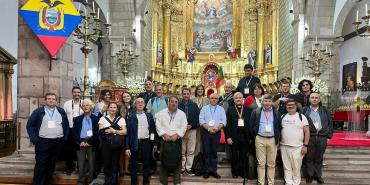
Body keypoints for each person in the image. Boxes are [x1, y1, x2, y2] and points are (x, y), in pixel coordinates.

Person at [26, 93, 69, 185]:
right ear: (45, 100)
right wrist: (35, 140)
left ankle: (47, 182)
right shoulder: (38, 111)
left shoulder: (61, 111)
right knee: (41, 164)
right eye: (49, 99)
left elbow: (66, 125)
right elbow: (29, 125)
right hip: (43, 142)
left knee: (51, 164)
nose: (51, 100)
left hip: (57, 142)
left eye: (53, 99)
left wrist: (64, 138)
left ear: (56, 100)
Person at [301, 92, 333, 184]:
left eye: (316, 98)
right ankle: (310, 175)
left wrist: (328, 136)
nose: (314, 99)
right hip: (309, 136)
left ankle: (318, 175)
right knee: (309, 157)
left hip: (322, 137)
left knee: (319, 157)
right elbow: (300, 124)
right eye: (312, 97)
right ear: (309, 99)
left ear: (319, 99)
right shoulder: (304, 110)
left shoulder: (324, 110)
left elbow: (330, 123)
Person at [249, 94, 281, 185]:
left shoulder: (276, 113)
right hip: (260, 139)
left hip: (272, 139)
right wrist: (254, 137)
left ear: (272, 102)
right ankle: (261, 182)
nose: (267, 103)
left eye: (269, 101)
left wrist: (278, 139)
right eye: (265, 101)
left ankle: (271, 183)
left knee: (271, 163)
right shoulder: (256, 112)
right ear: (262, 102)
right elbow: (251, 126)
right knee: (261, 163)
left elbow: (279, 126)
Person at [156, 96, 188, 185]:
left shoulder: (182, 114)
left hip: (176, 140)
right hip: (165, 140)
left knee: (177, 160)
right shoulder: (161, 113)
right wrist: (164, 134)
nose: (174, 103)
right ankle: (163, 181)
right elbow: (158, 125)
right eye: (172, 102)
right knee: (163, 159)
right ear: (168, 103)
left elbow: (184, 126)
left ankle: (177, 181)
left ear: (178, 103)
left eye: (176, 102)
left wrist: (177, 135)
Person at [125, 98, 157, 185]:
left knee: (146, 164)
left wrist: (154, 143)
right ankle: (133, 183)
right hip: (134, 142)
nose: (140, 104)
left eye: (142, 102)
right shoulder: (131, 116)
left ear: (144, 104)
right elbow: (128, 133)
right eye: (138, 102)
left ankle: (146, 183)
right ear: (135, 105)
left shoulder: (149, 115)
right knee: (134, 165)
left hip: (146, 142)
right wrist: (127, 147)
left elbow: (152, 130)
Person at [280, 99, 310, 185]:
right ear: (286, 107)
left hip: (298, 147)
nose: (290, 106)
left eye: (292, 104)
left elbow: (307, 132)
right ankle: (288, 182)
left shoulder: (302, 117)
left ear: (296, 106)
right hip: (284, 146)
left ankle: (296, 182)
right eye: (288, 105)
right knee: (286, 167)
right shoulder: (282, 116)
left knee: (296, 167)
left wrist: (305, 145)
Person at [98, 102, 127, 185]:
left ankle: (114, 182)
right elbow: (102, 131)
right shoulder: (102, 119)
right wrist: (118, 130)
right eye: (111, 107)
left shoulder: (121, 119)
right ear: (108, 109)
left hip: (116, 145)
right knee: (107, 163)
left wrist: (113, 131)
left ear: (117, 109)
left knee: (115, 164)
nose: (112, 109)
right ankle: (107, 182)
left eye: (114, 107)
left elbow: (125, 132)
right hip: (105, 145)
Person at [72, 99, 99, 185]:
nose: (85, 107)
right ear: (81, 107)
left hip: (92, 142)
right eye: (84, 105)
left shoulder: (96, 119)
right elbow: (74, 132)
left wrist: (90, 142)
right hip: (80, 143)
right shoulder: (76, 119)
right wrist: (80, 142)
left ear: (91, 106)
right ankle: (81, 180)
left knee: (92, 163)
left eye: (87, 105)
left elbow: (97, 132)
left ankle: (91, 180)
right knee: (81, 163)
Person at [225, 92, 252, 178]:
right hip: (233, 136)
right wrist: (228, 137)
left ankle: (243, 172)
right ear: (234, 100)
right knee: (234, 155)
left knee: (244, 155)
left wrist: (251, 137)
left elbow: (250, 124)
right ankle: (235, 172)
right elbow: (227, 124)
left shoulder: (248, 110)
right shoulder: (230, 109)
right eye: (236, 98)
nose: (238, 99)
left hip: (245, 136)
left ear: (243, 99)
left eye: (240, 98)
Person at [199, 93, 226, 179]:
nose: (214, 100)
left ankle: (213, 171)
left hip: (216, 132)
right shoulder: (204, 108)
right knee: (207, 152)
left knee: (214, 152)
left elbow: (224, 121)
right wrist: (208, 128)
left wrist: (217, 129)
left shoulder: (221, 109)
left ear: (218, 100)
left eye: (215, 98)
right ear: (209, 99)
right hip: (206, 132)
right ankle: (207, 170)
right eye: (212, 98)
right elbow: (201, 119)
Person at [178, 88, 200, 175]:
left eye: (187, 93)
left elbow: (197, 117)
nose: (186, 95)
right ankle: (182, 168)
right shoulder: (179, 105)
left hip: (192, 130)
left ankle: (189, 168)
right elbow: (177, 117)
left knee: (191, 150)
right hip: (181, 130)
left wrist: (191, 125)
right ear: (182, 95)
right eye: (184, 94)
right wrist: (183, 126)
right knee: (182, 150)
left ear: (190, 94)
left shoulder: (194, 105)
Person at [63, 86, 83, 175]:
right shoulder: (67, 103)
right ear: (72, 93)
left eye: (78, 92)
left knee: (80, 149)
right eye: (75, 92)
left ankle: (80, 167)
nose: (77, 94)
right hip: (70, 129)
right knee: (69, 149)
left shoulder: (84, 103)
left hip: (80, 129)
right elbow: (63, 117)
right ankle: (69, 167)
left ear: (80, 93)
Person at [191, 84, 209, 155]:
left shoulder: (207, 100)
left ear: (203, 91)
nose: (200, 90)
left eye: (201, 89)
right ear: (196, 91)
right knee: (195, 139)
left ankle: (201, 154)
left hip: (204, 123)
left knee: (202, 139)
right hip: (195, 123)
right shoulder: (192, 100)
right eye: (198, 89)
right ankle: (195, 154)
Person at [119, 92, 132, 177]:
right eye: (124, 97)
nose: (126, 97)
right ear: (122, 99)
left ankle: (126, 169)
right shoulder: (120, 107)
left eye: (127, 96)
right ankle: (121, 170)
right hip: (122, 130)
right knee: (121, 151)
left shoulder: (134, 107)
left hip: (131, 131)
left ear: (130, 97)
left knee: (128, 150)